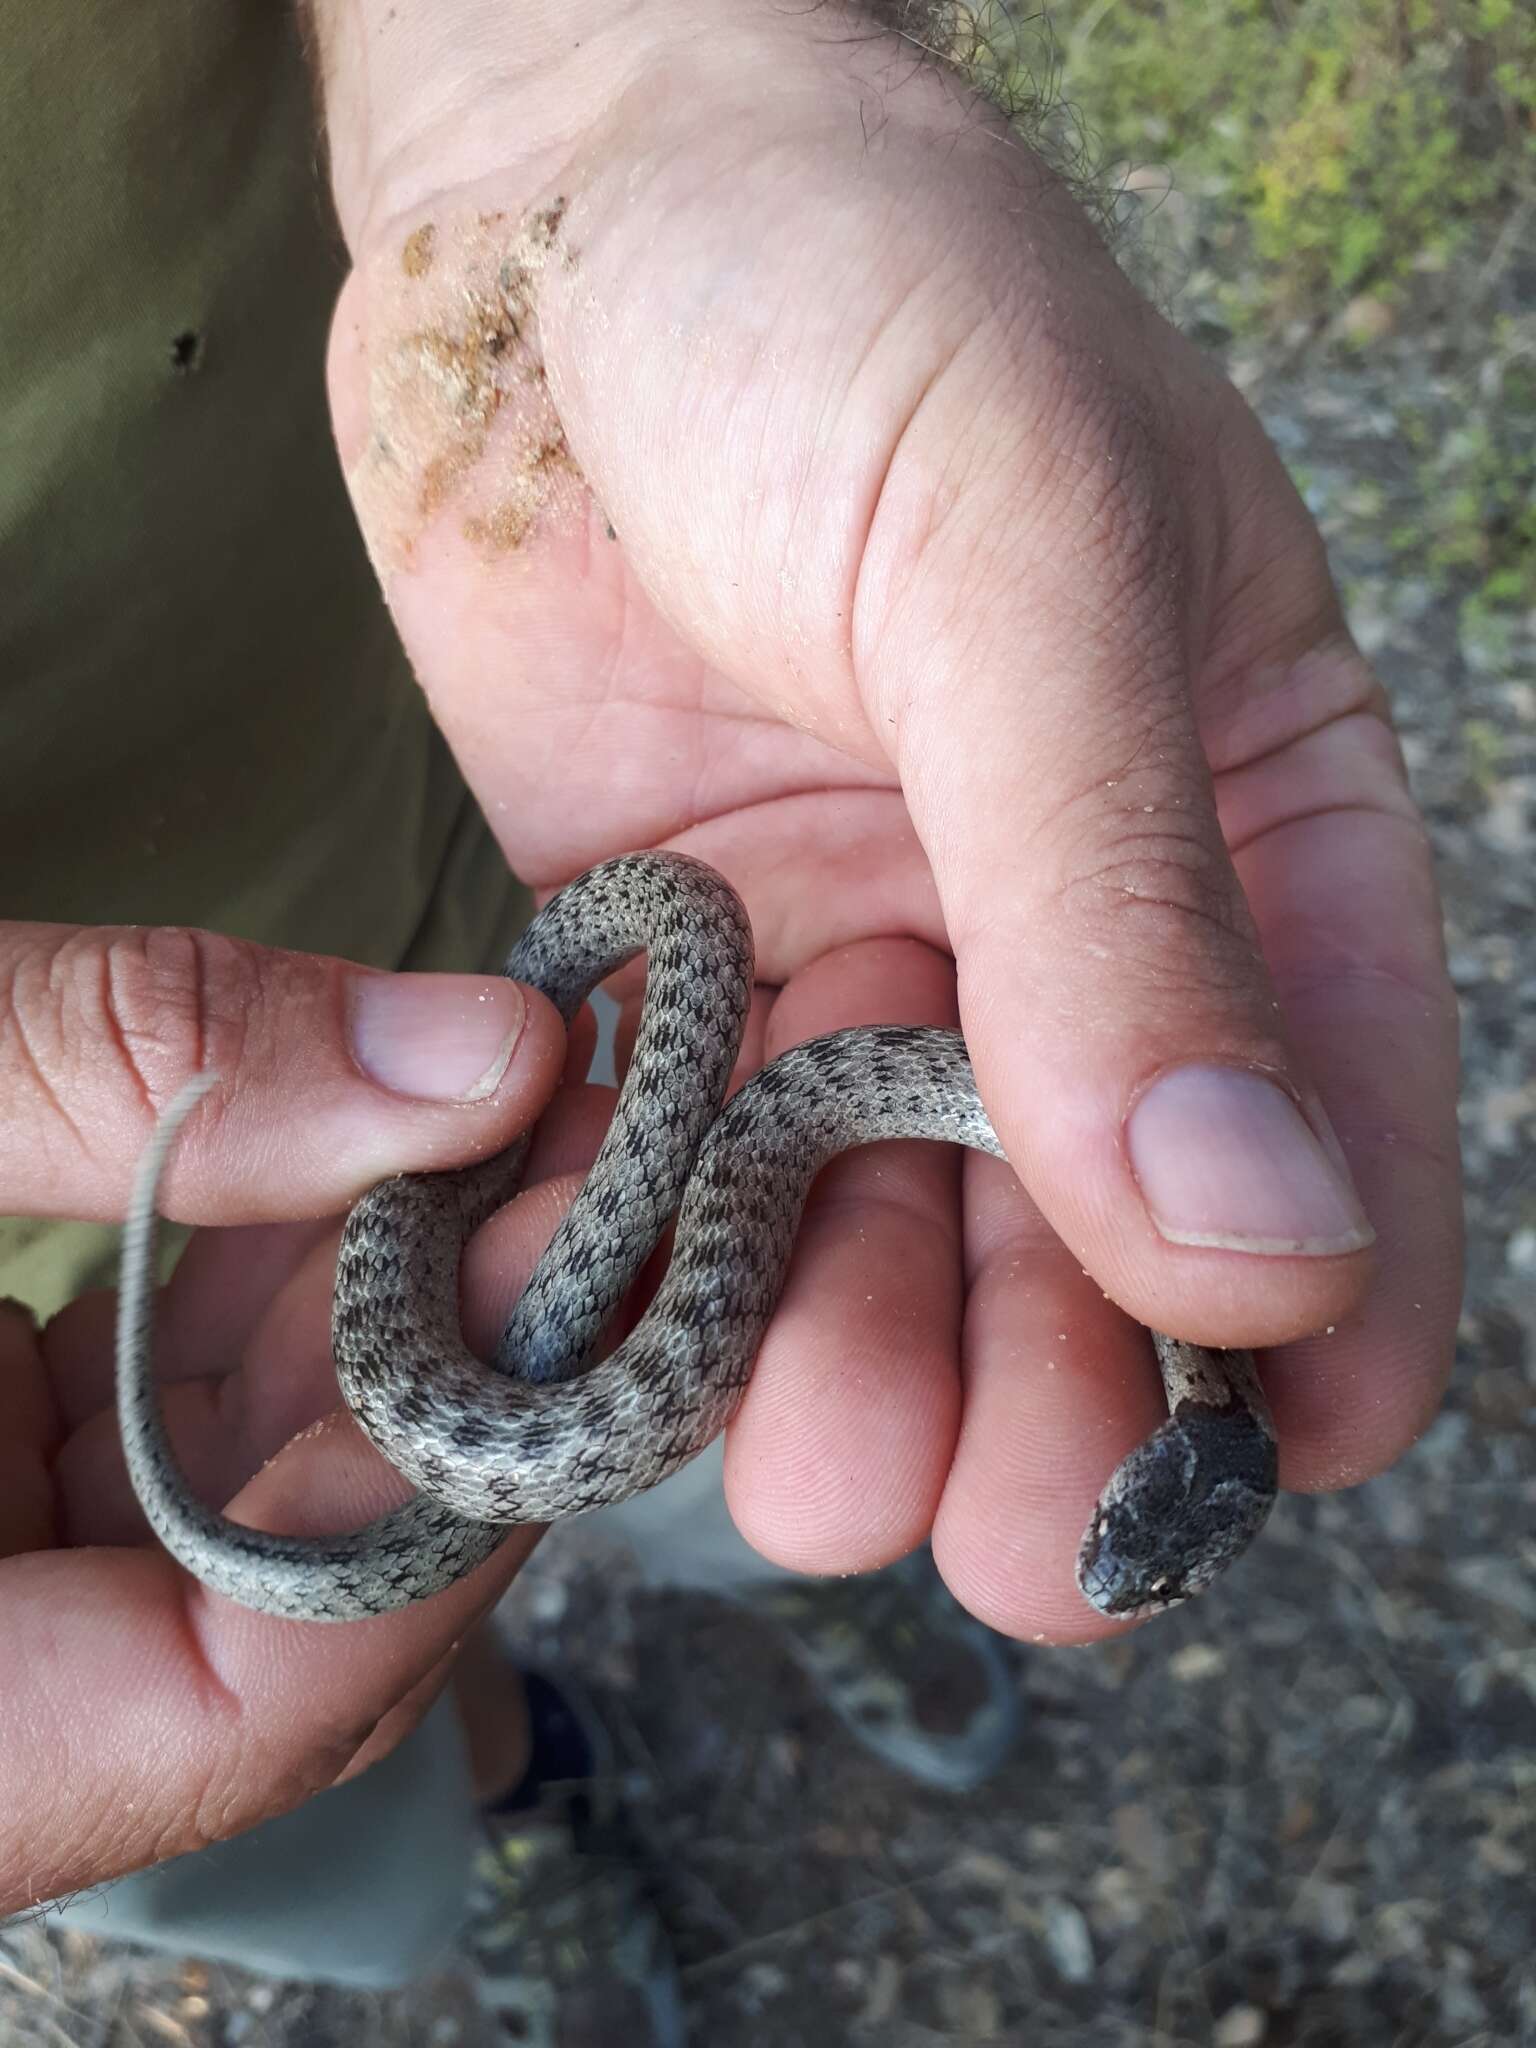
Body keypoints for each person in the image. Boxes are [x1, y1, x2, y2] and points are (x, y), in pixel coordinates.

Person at [0, 0, 1462, 2038]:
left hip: (483, 718)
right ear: (1177, 1426)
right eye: (1151, 1528)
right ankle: (509, 1813)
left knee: (759, 1424)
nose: (1131, 1542)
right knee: (268, 1726)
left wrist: (585, 95)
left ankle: (656, 1626)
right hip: (68, 1284)